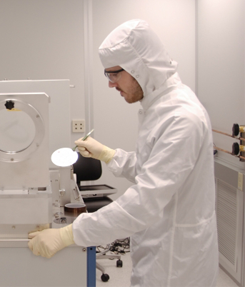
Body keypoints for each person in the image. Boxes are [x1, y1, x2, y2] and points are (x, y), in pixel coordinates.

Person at [28, 19, 219, 287]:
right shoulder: (159, 108)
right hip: (159, 248)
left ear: (139, 67)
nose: (110, 84)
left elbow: (144, 201)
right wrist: (108, 154)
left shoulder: (181, 118)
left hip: (176, 264)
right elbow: (149, 169)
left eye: (114, 74)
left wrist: (69, 235)